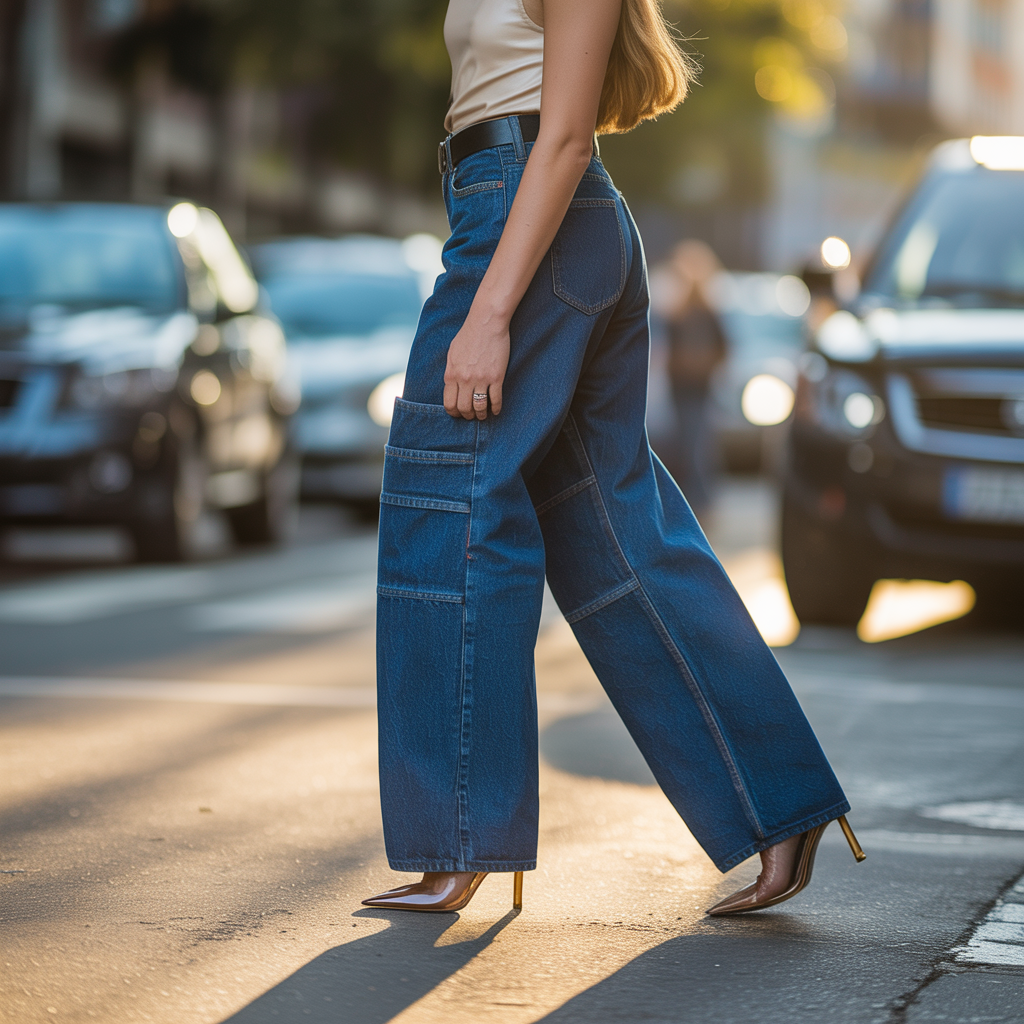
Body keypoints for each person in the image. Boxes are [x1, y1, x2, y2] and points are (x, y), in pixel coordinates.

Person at [363, 0, 864, 918]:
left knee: (451, 499)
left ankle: (462, 839)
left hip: (528, 216)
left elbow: (563, 140)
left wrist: (490, 313)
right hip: (518, 214)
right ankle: (776, 807)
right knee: (613, 531)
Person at [661, 239, 727, 520]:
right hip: (681, 387)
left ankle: (701, 498)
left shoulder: (708, 312)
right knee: (687, 443)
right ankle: (690, 497)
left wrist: (702, 366)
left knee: (698, 444)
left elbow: (723, 348)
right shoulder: (676, 314)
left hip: (698, 387)